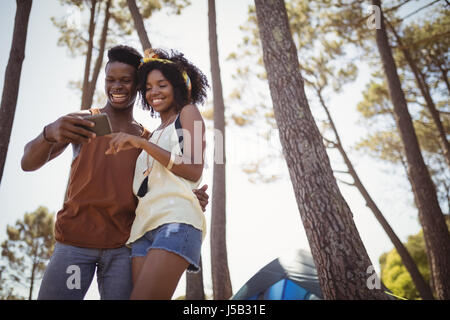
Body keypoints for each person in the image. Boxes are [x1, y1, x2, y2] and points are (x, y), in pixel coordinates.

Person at [20, 45, 209, 300]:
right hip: (76, 245)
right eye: (110, 80)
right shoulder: (85, 122)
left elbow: (162, 182)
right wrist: (49, 133)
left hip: (124, 248)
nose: (116, 86)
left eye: (125, 80)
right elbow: (28, 162)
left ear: (137, 85)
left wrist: (188, 196)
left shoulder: (145, 139)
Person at [104, 48, 208, 299]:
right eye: (148, 87)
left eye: (162, 85)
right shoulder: (154, 132)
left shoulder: (188, 113)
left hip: (176, 221)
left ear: (178, 87)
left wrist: (142, 144)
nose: (154, 92)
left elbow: (193, 169)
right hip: (142, 230)